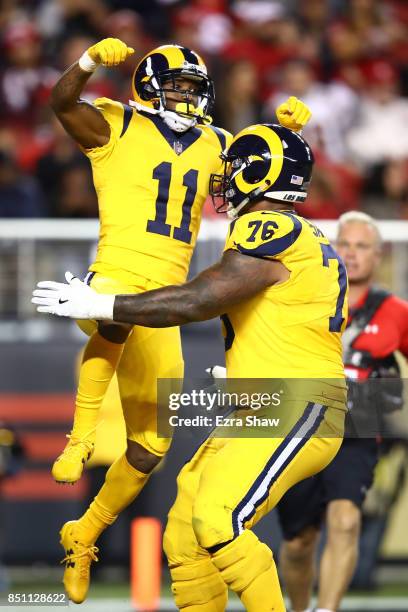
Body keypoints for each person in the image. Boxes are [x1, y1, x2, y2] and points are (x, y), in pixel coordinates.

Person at [33, 122, 347, 611]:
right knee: (184, 534)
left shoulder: (271, 227)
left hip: (299, 403)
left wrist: (108, 304)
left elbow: (197, 300)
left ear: (253, 175)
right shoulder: (304, 236)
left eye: (232, 172)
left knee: (219, 518)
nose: (223, 182)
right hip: (267, 402)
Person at [277, 211, 408, 612]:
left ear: (378, 254)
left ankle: (327, 609)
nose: (351, 254)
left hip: (358, 425)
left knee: (346, 520)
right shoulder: (304, 297)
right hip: (301, 424)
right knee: (299, 541)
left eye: (361, 246)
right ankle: (299, 607)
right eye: (345, 244)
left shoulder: (396, 312)